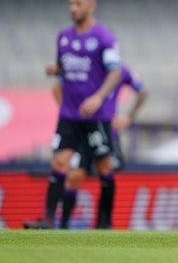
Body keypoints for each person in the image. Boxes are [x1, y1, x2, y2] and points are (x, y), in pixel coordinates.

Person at [24, 0, 123, 229]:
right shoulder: (63, 36)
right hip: (69, 114)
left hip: (96, 116)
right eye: (70, 4)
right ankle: (48, 219)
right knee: (58, 163)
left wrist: (99, 97)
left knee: (104, 169)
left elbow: (115, 72)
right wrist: (55, 70)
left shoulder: (104, 37)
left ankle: (105, 222)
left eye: (78, 4)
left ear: (91, 5)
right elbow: (64, 68)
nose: (73, 8)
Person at [54, 64, 148, 229]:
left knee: (106, 173)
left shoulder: (122, 71)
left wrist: (129, 117)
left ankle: (104, 224)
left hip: (106, 131)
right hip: (83, 130)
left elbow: (142, 92)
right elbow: (57, 87)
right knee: (75, 175)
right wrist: (69, 113)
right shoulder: (83, 68)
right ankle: (63, 225)